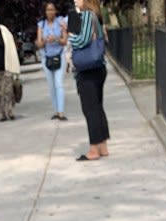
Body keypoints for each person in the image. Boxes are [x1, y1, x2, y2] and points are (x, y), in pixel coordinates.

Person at [68, 0, 109, 161]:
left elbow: (82, 40)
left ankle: (94, 149)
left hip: (88, 69)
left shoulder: (86, 15)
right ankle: (103, 145)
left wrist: (71, 36)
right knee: (97, 107)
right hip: (97, 67)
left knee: (90, 109)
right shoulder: (95, 16)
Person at [36, 2, 68, 120]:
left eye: (52, 9)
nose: (50, 12)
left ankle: (61, 111)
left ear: (55, 11)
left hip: (59, 56)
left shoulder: (60, 22)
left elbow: (65, 41)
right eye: (48, 10)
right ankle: (55, 110)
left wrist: (55, 39)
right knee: (51, 86)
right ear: (45, 12)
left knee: (59, 84)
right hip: (47, 58)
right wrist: (44, 41)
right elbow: (38, 44)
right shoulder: (41, 25)